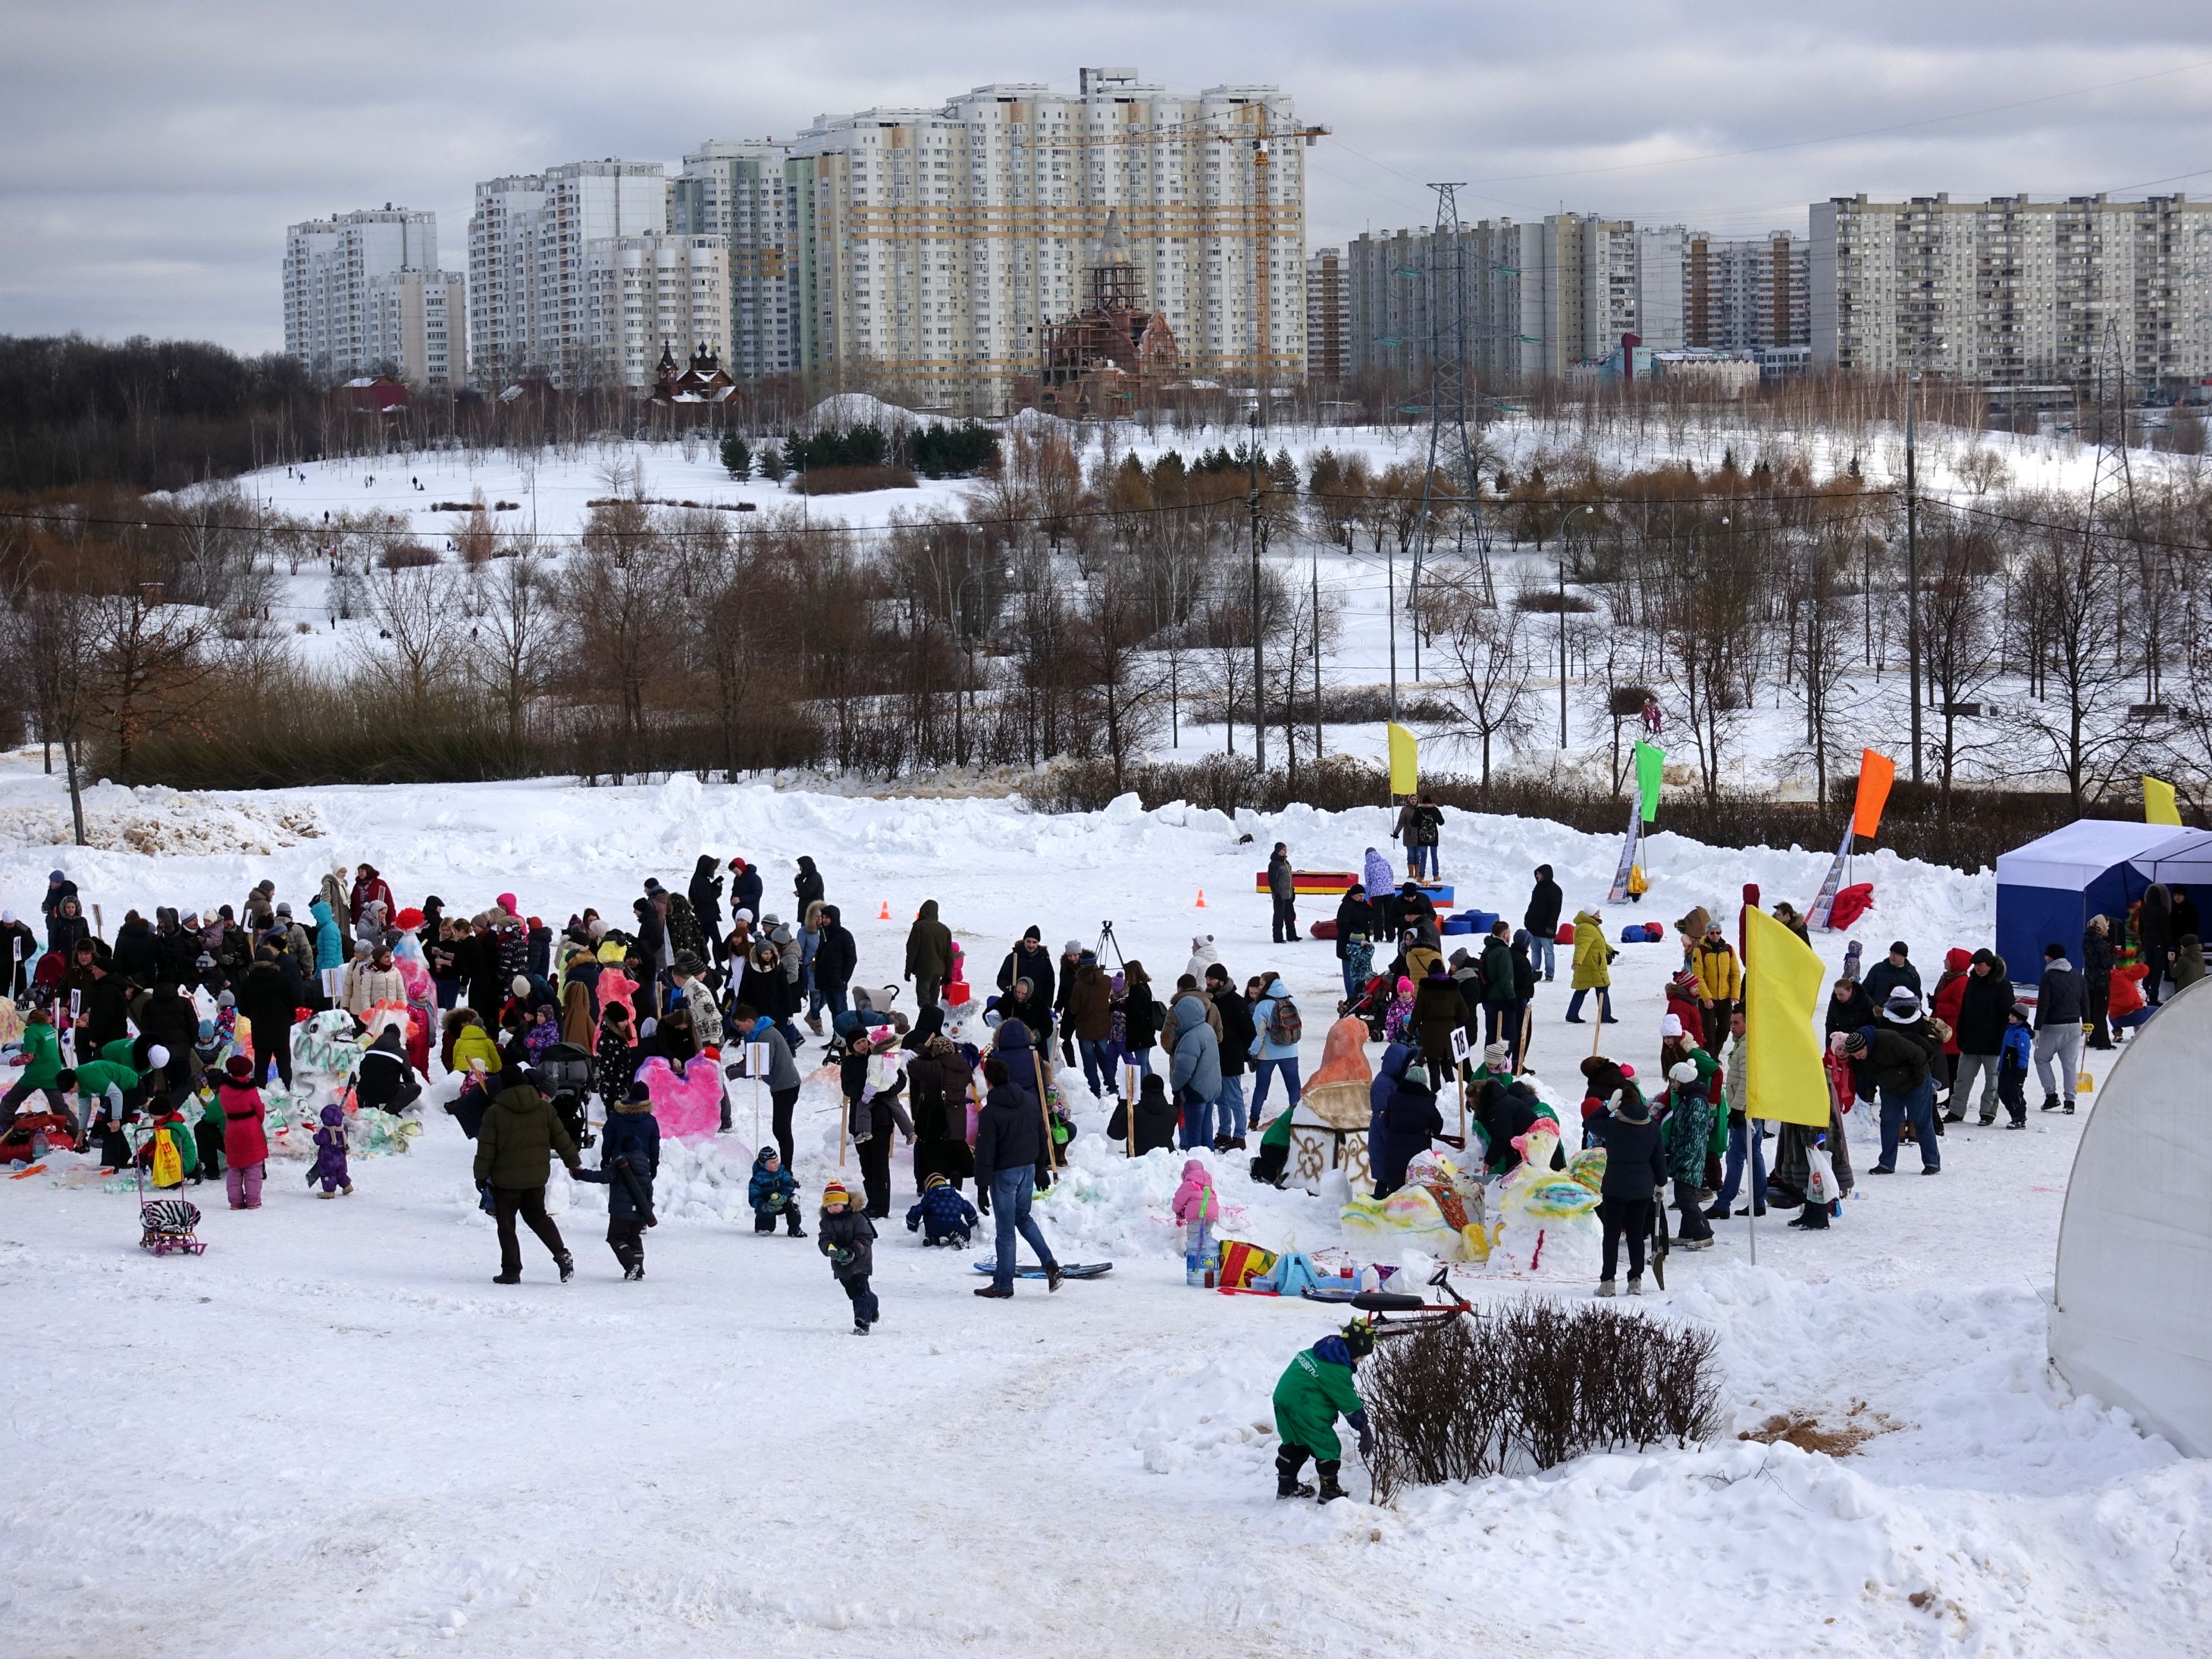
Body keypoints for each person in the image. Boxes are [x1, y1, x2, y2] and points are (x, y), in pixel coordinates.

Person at [474, 1071, 583, 1284]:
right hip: (536, 1179)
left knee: (506, 1226)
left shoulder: (494, 1113)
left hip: (506, 1183)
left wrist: (480, 1176)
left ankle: (511, 1271)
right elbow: (562, 1139)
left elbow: (486, 1149)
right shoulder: (545, 1109)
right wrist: (573, 1163)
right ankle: (561, 1254)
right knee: (538, 1218)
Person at [973, 1055, 1064, 1297]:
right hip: (1028, 1169)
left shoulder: (991, 1112)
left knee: (1005, 1232)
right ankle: (1051, 1265)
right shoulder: (1029, 1100)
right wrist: (1041, 1165)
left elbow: (985, 1151)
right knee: (1023, 1218)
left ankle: (1003, 1285)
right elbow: (1041, 1133)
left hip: (1004, 1174)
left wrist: (982, 1186)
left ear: (989, 1081)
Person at [1271, 1322, 1375, 1504]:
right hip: (1303, 1405)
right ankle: (1329, 1491)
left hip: (1283, 1399)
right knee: (1327, 1445)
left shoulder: (1317, 1352)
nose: (1362, 1360)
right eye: (1362, 1355)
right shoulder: (1336, 1370)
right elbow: (1349, 1405)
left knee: (1297, 1441)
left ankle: (1286, 1486)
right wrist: (1364, 1428)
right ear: (1353, 1351)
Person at [571, 1081, 660, 1279]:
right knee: (634, 1233)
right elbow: (655, 1147)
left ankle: (631, 1265)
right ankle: (638, 1267)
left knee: (617, 1233)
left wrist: (605, 1159)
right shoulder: (650, 1121)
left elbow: (608, 1139)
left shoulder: (617, 1117)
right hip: (642, 1166)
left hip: (620, 1166)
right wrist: (653, 1166)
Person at [1588, 1073, 1665, 1296]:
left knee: (1611, 1235)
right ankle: (1635, 1280)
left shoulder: (1613, 1125)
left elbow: (1590, 1123)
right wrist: (1660, 1183)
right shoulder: (1652, 1127)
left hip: (1615, 1187)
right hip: (1642, 1189)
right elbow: (1659, 1159)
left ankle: (1608, 1282)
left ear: (1619, 1105)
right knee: (1635, 1234)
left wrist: (1607, 1108)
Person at [1851, 989, 1942, 1174]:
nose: (1858, 1057)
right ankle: (1886, 1163)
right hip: (1891, 1086)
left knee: (1922, 1121)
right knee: (1889, 1122)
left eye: (1859, 1053)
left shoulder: (1888, 1039)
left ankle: (1932, 1162)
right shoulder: (1860, 1054)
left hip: (1916, 1082)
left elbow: (1919, 1056)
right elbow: (1861, 1075)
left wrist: (1918, 1080)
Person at [841, 1030, 913, 1221]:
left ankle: (881, 1206)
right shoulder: (848, 1063)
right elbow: (847, 1087)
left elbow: (901, 1079)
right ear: (851, 1047)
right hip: (859, 1119)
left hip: (881, 1118)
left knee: (880, 1163)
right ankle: (872, 1202)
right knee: (866, 1164)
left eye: (864, 1041)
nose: (863, 1045)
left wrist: (884, 1093)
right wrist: (865, 1092)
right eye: (858, 1043)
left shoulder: (883, 1056)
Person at [1706, 1008, 1766, 1221]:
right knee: (1753, 1154)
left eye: (1736, 1022)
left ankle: (1723, 1204)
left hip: (1745, 1112)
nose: (1731, 1025)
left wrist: (1739, 1109)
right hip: (1752, 1110)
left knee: (1736, 1157)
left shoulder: (1748, 1047)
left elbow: (1747, 1083)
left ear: (1748, 1023)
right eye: (1731, 1021)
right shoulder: (1744, 1044)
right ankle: (1758, 1202)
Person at [1661, 1059, 1715, 1248]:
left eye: (1674, 1081)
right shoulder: (1688, 1098)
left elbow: (1695, 1135)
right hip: (1683, 1156)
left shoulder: (1696, 1101)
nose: (1672, 1085)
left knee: (1685, 1199)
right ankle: (1687, 1234)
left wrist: (1686, 1158)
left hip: (1690, 1159)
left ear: (1682, 1080)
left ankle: (1704, 1233)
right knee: (1686, 1197)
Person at [1371, 1057, 1442, 1197]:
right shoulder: (1428, 1102)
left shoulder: (1394, 1098)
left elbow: (1386, 1121)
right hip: (1418, 1158)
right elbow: (1438, 1125)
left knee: (1395, 1193)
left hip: (1394, 1157)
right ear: (1424, 1083)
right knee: (1417, 1194)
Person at [816, 1180, 879, 1334]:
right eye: (829, 1205)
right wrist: (830, 1248)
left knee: (859, 1290)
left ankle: (862, 1323)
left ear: (844, 1202)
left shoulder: (857, 1217)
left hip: (860, 1261)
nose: (833, 1208)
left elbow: (866, 1238)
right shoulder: (826, 1222)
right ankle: (872, 1303)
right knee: (852, 1292)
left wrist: (852, 1251)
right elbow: (824, 1239)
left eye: (836, 1204)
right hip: (840, 1264)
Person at [1167, 986, 1225, 1151]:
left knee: (1193, 1134)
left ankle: (1196, 1163)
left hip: (1195, 1092)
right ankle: (1208, 1161)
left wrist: (1175, 1086)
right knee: (1206, 1128)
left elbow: (1184, 1070)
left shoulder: (1191, 1037)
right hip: (1210, 1089)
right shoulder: (1206, 1029)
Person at [2032, 942, 2086, 1114]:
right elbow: (2085, 1000)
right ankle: (2070, 1101)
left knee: (2041, 1058)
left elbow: (2044, 1005)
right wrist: (2087, 1022)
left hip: (2053, 1026)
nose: (2044, 958)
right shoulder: (2078, 975)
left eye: (2046, 955)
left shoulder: (2048, 977)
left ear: (2051, 957)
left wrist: (2037, 1027)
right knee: (2069, 1064)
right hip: (2074, 1027)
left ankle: (2051, 1095)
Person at [1249, 975, 1303, 1118]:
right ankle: (1296, 1118)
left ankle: (1254, 1119)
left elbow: (1258, 1034)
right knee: (1294, 1087)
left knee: (1261, 1087)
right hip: (1290, 1052)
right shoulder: (1292, 1001)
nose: (1259, 987)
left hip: (1267, 1054)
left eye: (1261, 984)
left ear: (1268, 985)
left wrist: (1252, 1053)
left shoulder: (1263, 1005)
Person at [1172, 1157, 1223, 1281]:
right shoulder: (1206, 1181)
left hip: (1198, 1212)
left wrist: (1178, 1211)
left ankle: (1194, 1252)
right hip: (1212, 1211)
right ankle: (1208, 1251)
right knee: (1206, 1232)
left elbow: (1179, 1201)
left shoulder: (1188, 1183)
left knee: (1194, 1232)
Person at [1693, 920, 1740, 1053]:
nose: (1715, 935)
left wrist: (1735, 995)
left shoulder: (1728, 949)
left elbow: (1735, 973)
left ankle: (1715, 1053)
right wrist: (1706, 997)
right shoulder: (1700, 951)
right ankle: (1711, 1056)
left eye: (1718, 932)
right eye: (1712, 933)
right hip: (1708, 998)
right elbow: (1698, 976)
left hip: (1725, 997)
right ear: (1707, 934)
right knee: (1708, 1032)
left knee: (1725, 1028)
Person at [1108, 1072, 1181, 1156]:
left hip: (1139, 1164)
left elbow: (1114, 1133)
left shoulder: (1133, 1112)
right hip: (1165, 1160)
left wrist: (1123, 1103)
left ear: (1142, 1090)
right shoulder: (1173, 1111)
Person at [1565, 908, 1617, 1024]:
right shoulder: (1586, 928)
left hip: (1591, 963)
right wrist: (1577, 961)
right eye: (1597, 913)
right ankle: (1605, 1016)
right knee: (1602, 987)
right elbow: (1581, 947)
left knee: (1582, 989)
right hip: (1593, 964)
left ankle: (1572, 1014)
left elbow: (1599, 942)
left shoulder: (1591, 925)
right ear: (1590, 915)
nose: (1599, 915)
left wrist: (1610, 950)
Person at [809, 904, 857, 1028]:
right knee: (834, 1012)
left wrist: (844, 978)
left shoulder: (844, 935)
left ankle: (847, 1039)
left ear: (834, 918)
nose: (824, 920)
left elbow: (852, 959)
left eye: (827, 918)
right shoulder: (824, 934)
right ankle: (837, 1039)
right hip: (826, 982)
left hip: (838, 982)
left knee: (842, 1013)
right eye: (823, 917)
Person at [907, 1171, 979, 1247]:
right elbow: (968, 1208)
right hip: (954, 1225)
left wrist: (912, 1225)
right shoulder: (955, 1196)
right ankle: (959, 1237)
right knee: (965, 1232)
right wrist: (972, 1222)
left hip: (935, 1226)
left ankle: (933, 1238)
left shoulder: (930, 1197)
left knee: (927, 1213)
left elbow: (916, 1211)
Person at [904, 898, 953, 1009]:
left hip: (923, 971)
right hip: (938, 972)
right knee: (933, 1001)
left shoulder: (919, 927)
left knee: (924, 1001)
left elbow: (912, 951)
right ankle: (933, 1022)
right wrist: (948, 975)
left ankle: (925, 1020)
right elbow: (949, 955)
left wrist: (908, 971)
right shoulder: (945, 930)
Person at [748, 1146, 806, 1237]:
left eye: (777, 1160)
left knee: (794, 1199)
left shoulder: (782, 1170)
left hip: (781, 1201)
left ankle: (795, 1229)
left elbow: (789, 1183)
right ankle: (762, 1225)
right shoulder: (756, 1179)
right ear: (764, 1164)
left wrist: (783, 1196)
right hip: (767, 1206)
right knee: (765, 1231)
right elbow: (753, 1198)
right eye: (773, 1162)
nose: (776, 1164)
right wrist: (764, 1206)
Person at [2080, 916, 2114, 1050]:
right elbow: (2105, 962)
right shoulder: (2100, 942)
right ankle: (2102, 1041)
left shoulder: (2087, 938)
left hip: (2089, 979)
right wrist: (2113, 956)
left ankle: (2092, 1038)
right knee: (2101, 1011)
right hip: (2101, 980)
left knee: (2091, 1010)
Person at [1524, 865, 1564, 982]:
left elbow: (1556, 910)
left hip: (1546, 928)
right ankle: (1534, 971)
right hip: (1534, 927)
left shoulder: (1555, 890)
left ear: (1546, 874)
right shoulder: (1538, 887)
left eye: (1539, 874)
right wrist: (1527, 918)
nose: (1537, 876)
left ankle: (1549, 974)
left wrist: (1550, 926)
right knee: (1535, 950)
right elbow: (1533, 905)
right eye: (1536, 874)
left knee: (1548, 951)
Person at [1860, 941, 1921, 1009]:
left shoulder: (1912, 975)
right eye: (1891, 953)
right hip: (1876, 1013)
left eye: (1896, 954)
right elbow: (1865, 991)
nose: (1892, 956)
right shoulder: (1878, 969)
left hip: (1899, 1016)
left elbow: (1916, 1000)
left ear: (1904, 956)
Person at [310, 1102, 352, 1198]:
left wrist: (315, 1135)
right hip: (341, 1158)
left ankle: (329, 1191)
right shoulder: (343, 1128)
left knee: (328, 1174)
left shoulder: (325, 1132)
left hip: (328, 1159)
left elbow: (318, 1140)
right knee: (341, 1173)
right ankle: (347, 1186)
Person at [1267, 842, 1298, 944]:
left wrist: (1292, 891)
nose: (1286, 851)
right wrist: (1276, 894)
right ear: (1278, 851)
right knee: (1279, 917)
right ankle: (1278, 937)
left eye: (1286, 849)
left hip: (1288, 894)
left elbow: (1289, 879)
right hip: (1280, 895)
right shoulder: (1274, 864)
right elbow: (1272, 880)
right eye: (1283, 849)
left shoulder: (1286, 862)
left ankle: (1292, 936)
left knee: (1290, 916)